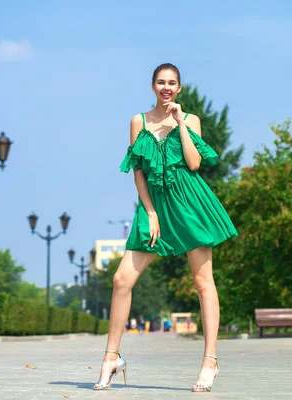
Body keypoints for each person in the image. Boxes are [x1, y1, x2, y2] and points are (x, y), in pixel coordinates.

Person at [93, 63, 238, 392]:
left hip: (189, 204)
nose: (166, 87)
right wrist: (150, 212)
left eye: (172, 83)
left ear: (179, 88)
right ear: (153, 86)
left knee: (203, 282)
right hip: (153, 207)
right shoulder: (138, 122)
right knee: (121, 279)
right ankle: (111, 358)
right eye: (161, 82)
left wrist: (180, 123)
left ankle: (210, 361)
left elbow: (194, 163)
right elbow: (138, 172)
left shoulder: (191, 120)